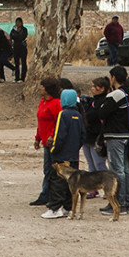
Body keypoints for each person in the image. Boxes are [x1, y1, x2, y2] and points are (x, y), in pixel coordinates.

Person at [41, 88, 85, 219]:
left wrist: (53, 150)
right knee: (71, 183)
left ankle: (54, 208)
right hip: (74, 155)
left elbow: (59, 135)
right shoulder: (79, 116)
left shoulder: (63, 115)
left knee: (57, 181)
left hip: (62, 155)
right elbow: (83, 135)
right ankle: (68, 207)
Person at [98, 66, 129, 215]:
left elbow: (102, 112)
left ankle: (118, 202)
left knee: (116, 170)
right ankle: (127, 202)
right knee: (125, 170)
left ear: (113, 77)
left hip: (115, 136)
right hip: (126, 135)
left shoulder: (116, 95)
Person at [30, 78, 63, 206]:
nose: (40, 88)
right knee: (47, 169)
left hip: (51, 142)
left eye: (42, 86)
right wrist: (37, 138)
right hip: (44, 141)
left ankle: (48, 195)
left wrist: (51, 136)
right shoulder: (42, 102)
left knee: (52, 170)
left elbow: (58, 122)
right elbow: (40, 122)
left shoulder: (56, 104)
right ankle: (46, 194)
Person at [80, 77, 109, 173]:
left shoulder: (104, 102)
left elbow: (94, 117)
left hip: (96, 138)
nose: (92, 88)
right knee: (91, 165)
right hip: (87, 137)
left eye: (94, 86)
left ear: (102, 89)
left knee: (99, 164)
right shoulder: (91, 102)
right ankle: (93, 187)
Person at [9, 18, 29, 83]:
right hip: (15, 48)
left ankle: (23, 77)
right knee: (16, 63)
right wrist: (16, 36)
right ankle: (17, 78)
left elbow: (23, 37)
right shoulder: (13, 29)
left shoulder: (24, 29)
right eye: (16, 22)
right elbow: (11, 36)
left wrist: (16, 36)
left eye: (19, 22)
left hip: (22, 48)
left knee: (23, 63)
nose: (17, 24)